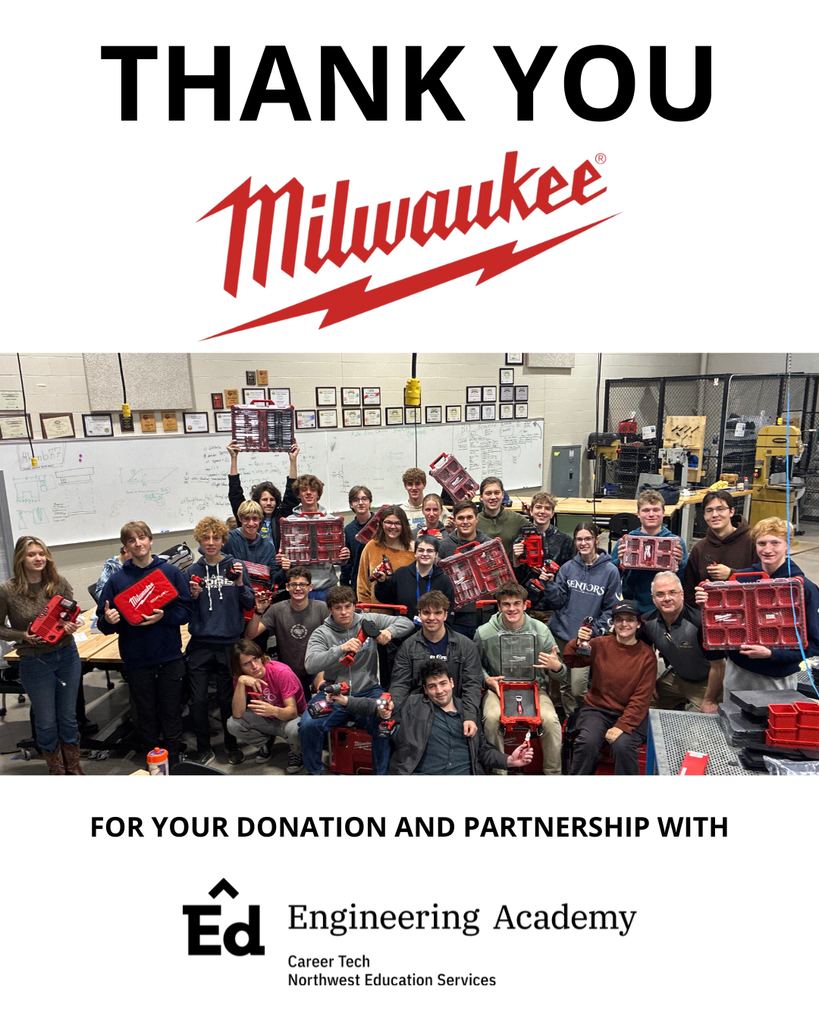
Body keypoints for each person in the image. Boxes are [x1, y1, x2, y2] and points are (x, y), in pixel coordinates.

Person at [97, 521, 193, 764]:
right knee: (144, 712)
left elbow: (186, 612)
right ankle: (152, 758)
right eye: (131, 540)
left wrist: (165, 616)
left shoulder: (171, 573)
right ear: (125, 547)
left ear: (150, 541)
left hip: (169, 654)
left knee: (171, 710)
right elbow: (104, 624)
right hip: (137, 657)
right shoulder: (117, 580)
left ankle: (173, 757)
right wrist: (108, 620)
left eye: (142, 538)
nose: (138, 543)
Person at [694, 516, 819, 700]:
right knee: (731, 716)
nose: (767, 549)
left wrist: (772, 654)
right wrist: (708, 606)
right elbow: (725, 623)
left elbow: (814, 643)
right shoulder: (741, 580)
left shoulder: (803, 588)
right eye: (762, 543)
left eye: (775, 543)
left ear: (788, 544)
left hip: (777, 678)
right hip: (737, 671)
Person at [338, 660, 534, 775]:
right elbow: (375, 707)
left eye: (443, 684)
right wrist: (344, 700)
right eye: (432, 686)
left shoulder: (467, 712)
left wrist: (510, 760)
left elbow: (482, 750)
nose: (439, 691)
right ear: (425, 689)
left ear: (451, 682)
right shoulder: (412, 704)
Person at [299, 585, 415, 775]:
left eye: (348, 606)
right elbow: (310, 665)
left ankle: (381, 776)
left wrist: (389, 632)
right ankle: (314, 772)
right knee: (308, 726)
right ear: (330, 609)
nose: (344, 612)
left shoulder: (368, 621)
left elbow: (407, 623)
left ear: (354, 606)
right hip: (334, 693)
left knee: (385, 725)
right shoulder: (322, 633)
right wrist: (340, 649)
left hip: (369, 690)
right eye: (338, 608)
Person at [0, 536, 83, 775]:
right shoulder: (7, 590)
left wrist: (71, 625)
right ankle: (56, 769)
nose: (38, 558)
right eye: (31, 554)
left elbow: (71, 615)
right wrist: (22, 635)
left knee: (68, 717)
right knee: (46, 720)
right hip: (34, 661)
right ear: (20, 558)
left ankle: (73, 767)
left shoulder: (58, 583)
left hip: (66, 655)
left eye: (41, 553)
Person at [184, 516, 256, 765]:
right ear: (199, 541)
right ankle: (203, 747)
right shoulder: (192, 571)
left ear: (223, 540)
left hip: (229, 643)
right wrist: (193, 598)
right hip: (201, 643)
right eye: (206, 538)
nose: (211, 542)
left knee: (227, 699)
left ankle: (231, 743)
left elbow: (250, 602)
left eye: (216, 537)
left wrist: (239, 583)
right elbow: (185, 612)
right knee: (198, 700)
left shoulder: (236, 566)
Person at [474, 582, 565, 775]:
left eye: (516, 603)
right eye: (506, 604)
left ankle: (553, 774)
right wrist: (486, 679)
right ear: (499, 606)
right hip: (499, 688)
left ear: (525, 605)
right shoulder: (484, 633)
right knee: (491, 718)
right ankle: (499, 773)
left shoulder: (541, 631)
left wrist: (556, 667)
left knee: (551, 720)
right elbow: (472, 665)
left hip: (534, 688)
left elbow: (561, 671)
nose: (512, 608)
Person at [533, 521, 622, 715]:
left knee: (578, 688)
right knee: (563, 685)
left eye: (588, 538)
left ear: (596, 540)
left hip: (585, 640)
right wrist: (549, 584)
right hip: (561, 634)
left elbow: (611, 609)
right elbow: (557, 602)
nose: (583, 543)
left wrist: (593, 632)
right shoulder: (567, 568)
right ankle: (570, 721)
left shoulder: (610, 571)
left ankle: (587, 718)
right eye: (579, 539)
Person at [563, 599, 656, 775]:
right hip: (596, 710)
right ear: (613, 623)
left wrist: (622, 726)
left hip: (630, 713)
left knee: (623, 746)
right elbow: (572, 660)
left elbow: (641, 698)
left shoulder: (647, 656)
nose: (624, 624)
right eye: (619, 619)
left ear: (638, 624)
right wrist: (578, 642)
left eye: (630, 620)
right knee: (587, 742)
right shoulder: (600, 644)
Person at [245, 566, 328, 761]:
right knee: (295, 715)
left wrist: (323, 674)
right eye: (293, 584)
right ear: (287, 587)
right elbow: (250, 635)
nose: (298, 588)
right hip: (290, 671)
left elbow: (333, 640)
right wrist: (259, 611)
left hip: (316, 668)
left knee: (324, 695)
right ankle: (295, 747)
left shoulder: (321, 608)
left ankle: (321, 739)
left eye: (302, 584)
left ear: (310, 587)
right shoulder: (277, 609)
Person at [389, 590, 483, 732]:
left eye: (437, 613)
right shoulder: (407, 647)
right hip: (419, 713)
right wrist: (392, 707)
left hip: (456, 711)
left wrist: (469, 717)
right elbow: (400, 685)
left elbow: (472, 685)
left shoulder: (466, 646)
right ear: (419, 614)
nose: (431, 618)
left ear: (445, 615)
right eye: (426, 613)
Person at [640, 571, 724, 713]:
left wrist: (710, 700)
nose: (667, 598)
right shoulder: (647, 622)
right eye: (660, 594)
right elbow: (644, 654)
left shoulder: (700, 624)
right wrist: (649, 682)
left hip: (705, 683)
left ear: (682, 594)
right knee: (641, 705)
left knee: (706, 721)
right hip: (676, 677)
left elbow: (719, 666)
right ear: (653, 599)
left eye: (672, 592)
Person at [226, 638, 306, 773]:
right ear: (239, 667)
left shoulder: (281, 672)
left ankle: (298, 752)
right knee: (233, 724)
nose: (254, 666)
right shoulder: (242, 678)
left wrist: (274, 711)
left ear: (261, 657)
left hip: (292, 717)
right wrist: (240, 682)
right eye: (246, 663)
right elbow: (237, 714)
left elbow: (292, 712)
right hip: (267, 717)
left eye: (255, 659)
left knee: (294, 730)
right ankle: (265, 743)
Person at [611, 489, 688, 616]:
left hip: (666, 609)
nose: (651, 514)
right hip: (635, 609)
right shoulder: (625, 542)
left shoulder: (676, 543)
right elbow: (611, 577)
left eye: (656, 510)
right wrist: (619, 562)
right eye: (646, 510)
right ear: (638, 513)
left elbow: (684, 581)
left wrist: (680, 563)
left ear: (663, 512)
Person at [279, 468, 350, 600]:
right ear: (298, 494)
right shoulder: (289, 522)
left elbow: (339, 560)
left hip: (327, 587)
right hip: (300, 589)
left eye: (313, 490)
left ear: (318, 494)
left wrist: (343, 557)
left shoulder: (331, 521)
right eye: (304, 490)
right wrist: (283, 560)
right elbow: (285, 555)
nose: (308, 493)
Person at [683, 489, 755, 604]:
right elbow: (689, 592)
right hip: (709, 611)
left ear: (731, 511)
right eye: (709, 510)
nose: (715, 515)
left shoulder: (752, 542)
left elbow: (764, 578)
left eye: (720, 509)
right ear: (704, 515)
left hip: (746, 609)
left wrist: (732, 574)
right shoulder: (699, 548)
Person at [437, 499, 491, 640]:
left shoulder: (489, 544)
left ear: (476, 519)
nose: (465, 522)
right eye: (460, 518)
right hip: (456, 619)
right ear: (454, 520)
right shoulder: (443, 546)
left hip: (486, 615)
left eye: (469, 517)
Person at [374, 533, 454, 625]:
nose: (425, 554)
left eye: (429, 551)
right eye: (421, 550)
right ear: (415, 553)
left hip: (433, 630)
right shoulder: (401, 574)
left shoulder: (444, 580)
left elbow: (448, 611)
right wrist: (382, 582)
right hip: (403, 629)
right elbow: (385, 599)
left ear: (436, 554)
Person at [226, 438, 289, 548]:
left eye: (272, 499)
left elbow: (291, 496)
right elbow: (235, 494)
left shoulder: (280, 517)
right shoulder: (249, 518)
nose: (268, 503)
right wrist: (234, 458)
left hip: (276, 557)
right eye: (264, 499)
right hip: (253, 557)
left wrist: (293, 460)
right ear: (258, 501)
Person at [356, 506, 416, 604]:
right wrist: (364, 605)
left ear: (404, 525)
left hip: (404, 609)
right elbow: (362, 581)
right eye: (388, 522)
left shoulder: (413, 549)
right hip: (376, 609)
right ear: (381, 524)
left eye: (397, 523)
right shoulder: (371, 546)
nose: (392, 527)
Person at [513, 491, 574, 578]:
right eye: (538, 507)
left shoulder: (565, 541)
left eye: (547, 508)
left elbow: (570, 573)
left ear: (552, 514)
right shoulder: (521, 541)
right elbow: (517, 578)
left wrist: (552, 575)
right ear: (531, 511)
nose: (542, 511)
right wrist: (516, 559)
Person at [223, 499, 284, 586]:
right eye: (246, 519)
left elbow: (273, 579)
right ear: (240, 519)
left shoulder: (268, 547)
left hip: (260, 592)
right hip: (232, 590)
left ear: (260, 519)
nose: (251, 523)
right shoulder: (228, 539)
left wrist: (284, 569)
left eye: (254, 519)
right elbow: (208, 554)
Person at [476, 476, 529, 559]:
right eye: (488, 493)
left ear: (503, 495)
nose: (493, 497)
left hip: (512, 566)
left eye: (497, 493)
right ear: (481, 497)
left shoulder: (516, 518)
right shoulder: (474, 521)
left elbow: (539, 533)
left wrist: (532, 515)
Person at [340, 485, 375, 596]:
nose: (360, 503)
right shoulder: (348, 530)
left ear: (370, 502)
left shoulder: (380, 525)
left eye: (364, 499)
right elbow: (347, 563)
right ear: (351, 504)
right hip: (358, 583)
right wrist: (345, 587)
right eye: (356, 500)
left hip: (379, 581)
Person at [399, 467, 428, 532]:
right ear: (405, 486)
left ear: (424, 484)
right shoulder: (400, 511)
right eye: (410, 484)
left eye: (417, 484)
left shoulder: (435, 509)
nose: (414, 488)